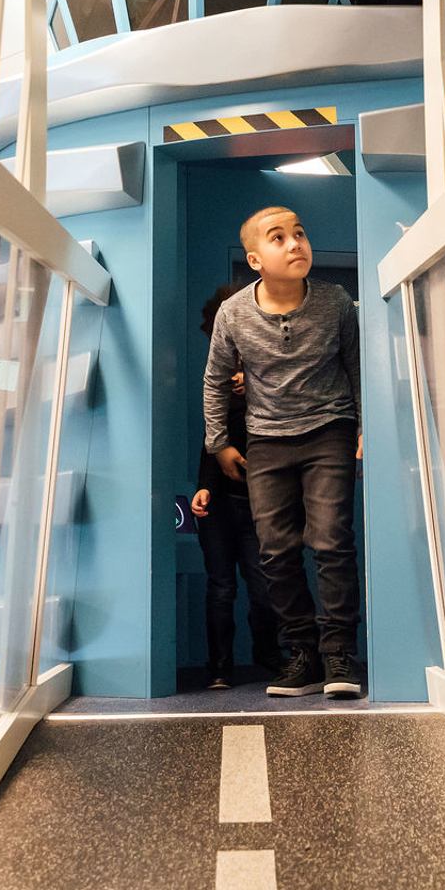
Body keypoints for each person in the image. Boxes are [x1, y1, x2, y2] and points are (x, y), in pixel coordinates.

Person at [204, 206, 365, 698]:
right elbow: (214, 379)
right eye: (279, 238)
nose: (295, 244)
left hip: (329, 430)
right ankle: (304, 653)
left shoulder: (336, 301)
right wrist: (220, 444)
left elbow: (358, 366)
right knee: (274, 552)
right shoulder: (233, 314)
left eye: (300, 234)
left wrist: (365, 427)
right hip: (266, 439)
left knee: (331, 542)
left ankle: (339, 653)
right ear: (255, 259)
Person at [193, 284, 284, 688]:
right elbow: (211, 440)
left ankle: (270, 658)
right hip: (218, 503)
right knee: (220, 587)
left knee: (263, 586)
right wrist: (203, 488)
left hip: (261, 500)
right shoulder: (219, 382)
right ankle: (220, 669)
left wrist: (256, 386)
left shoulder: (270, 376)